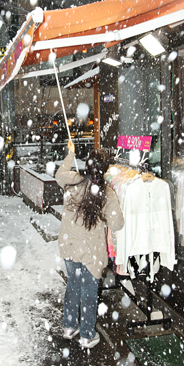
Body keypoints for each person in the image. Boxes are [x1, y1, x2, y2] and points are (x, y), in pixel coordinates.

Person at [55, 140, 124, 349]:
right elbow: (118, 224)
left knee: (73, 285)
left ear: (86, 165)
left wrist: (70, 154)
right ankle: (86, 334)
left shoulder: (73, 181)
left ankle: (69, 327)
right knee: (89, 292)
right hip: (92, 252)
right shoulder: (107, 194)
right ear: (104, 170)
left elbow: (59, 174)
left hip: (69, 246)